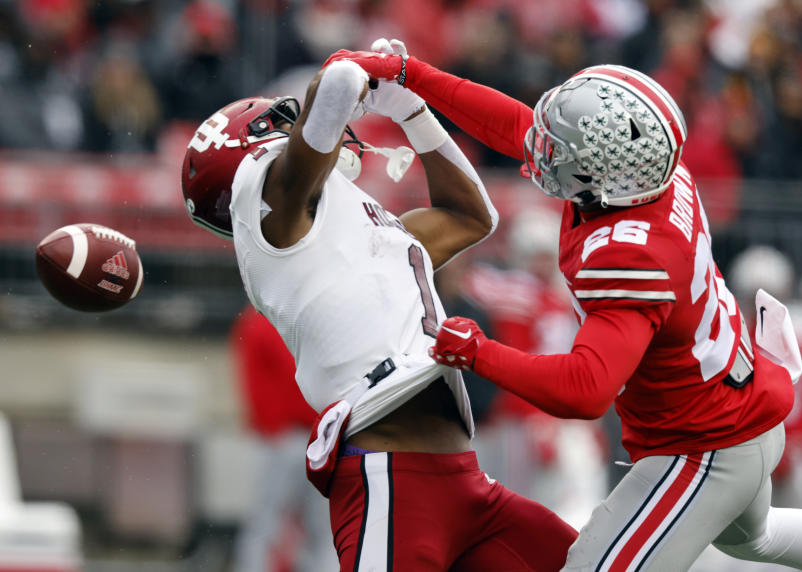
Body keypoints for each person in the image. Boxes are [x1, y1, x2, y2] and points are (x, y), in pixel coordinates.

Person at [328, 41, 802, 571]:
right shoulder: (650, 176)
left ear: (602, 176)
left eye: (560, 151)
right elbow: (519, 127)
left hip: (701, 450)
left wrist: (478, 353)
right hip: (741, 410)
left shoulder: (628, 254)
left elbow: (586, 389)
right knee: (761, 539)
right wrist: (411, 73)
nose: (541, 152)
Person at [180, 57, 576, 571]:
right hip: (390, 478)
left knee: (594, 560)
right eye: (282, 125)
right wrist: (385, 73)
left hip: (463, 477)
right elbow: (341, 80)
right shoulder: (272, 214)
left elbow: (475, 216)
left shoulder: (355, 234)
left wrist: (411, 109)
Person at [229, 305, 338, 572]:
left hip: (318, 437)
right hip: (284, 438)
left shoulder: (311, 318)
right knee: (267, 522)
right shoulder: (260, 321)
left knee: (323, 526)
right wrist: (272, 430)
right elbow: (253, 379)